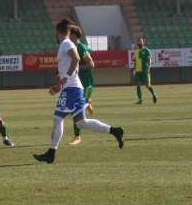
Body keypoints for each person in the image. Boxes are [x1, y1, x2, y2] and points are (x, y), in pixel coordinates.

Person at [33, 20, 124, 164]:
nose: (55, 35)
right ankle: (115, 131)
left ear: (59, 32)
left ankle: (51, 153)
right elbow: (72, 65)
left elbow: (76, 59)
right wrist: (60, 84)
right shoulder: (67, 44)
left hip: (71, 89)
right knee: (81, 123)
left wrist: (64, 81)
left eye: (55, 32)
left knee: (58, 118)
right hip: (72, 88)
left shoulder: (66, 43)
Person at [69, 25, 95, 146]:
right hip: (77, 83)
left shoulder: (81, 47)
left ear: (74, 35)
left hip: (86, 83)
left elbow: (91, 64)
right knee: (77, 107)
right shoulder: (71, 48)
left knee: (76, 109)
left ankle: (77, 136)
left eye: (69, 33)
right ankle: (88, 103)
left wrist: (78, 68)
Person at [133, 37, 158, 104]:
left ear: (143, 42)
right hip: (138, 71)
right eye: (138, 41)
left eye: (141, 41)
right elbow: (135, 61)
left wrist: (149, 67)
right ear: (137, 43)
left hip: (144, 70)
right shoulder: (136, 51)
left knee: (147, 85)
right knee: (138, 85)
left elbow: (149, 60)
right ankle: (140, 100)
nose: (140, 42)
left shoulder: (147, 50)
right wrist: (134, 69)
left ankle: (154, 95)